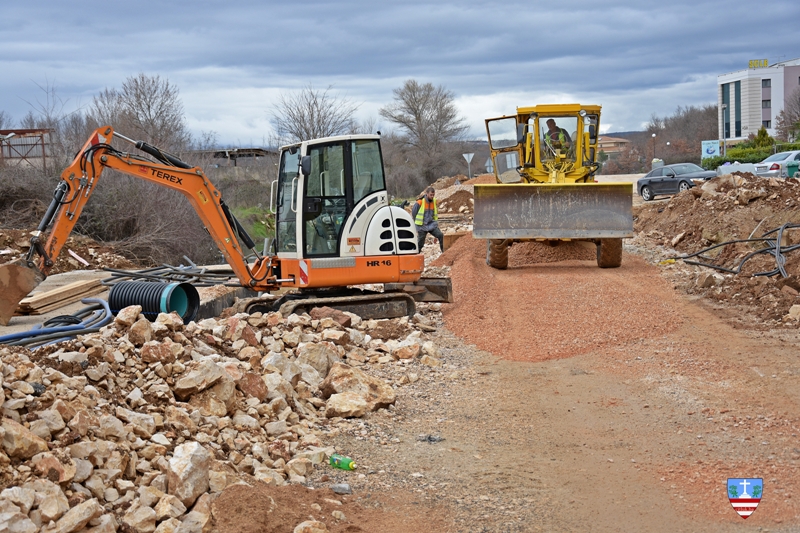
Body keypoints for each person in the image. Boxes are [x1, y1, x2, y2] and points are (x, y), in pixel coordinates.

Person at [411, 186, 444, 253]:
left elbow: (434, 213)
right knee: (420, 243)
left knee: (440, 235)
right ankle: (416, 254)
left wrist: (435, 224)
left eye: (433, 195)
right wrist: (416, 223)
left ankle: (444, 252)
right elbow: (414, 213)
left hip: (431, 225)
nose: (432, 196)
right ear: (427, 194)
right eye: (431, 195)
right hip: (422, 226)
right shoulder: (420, 202)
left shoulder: (434, 201)